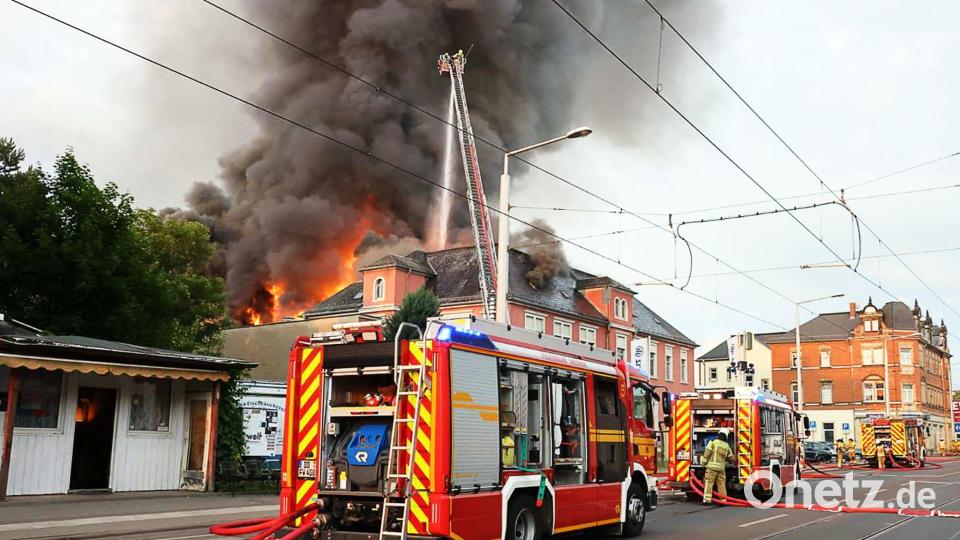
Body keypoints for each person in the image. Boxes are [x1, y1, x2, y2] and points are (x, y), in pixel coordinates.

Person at [701, 428, 734, 504]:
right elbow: (731, 459)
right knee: (721, 484)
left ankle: (707, 500)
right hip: (721, 469)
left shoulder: (712, 442)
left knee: (709, 483)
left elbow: (707, 453)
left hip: (711, 468)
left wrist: (703, 462)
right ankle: (723, 500)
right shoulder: (727, 446)